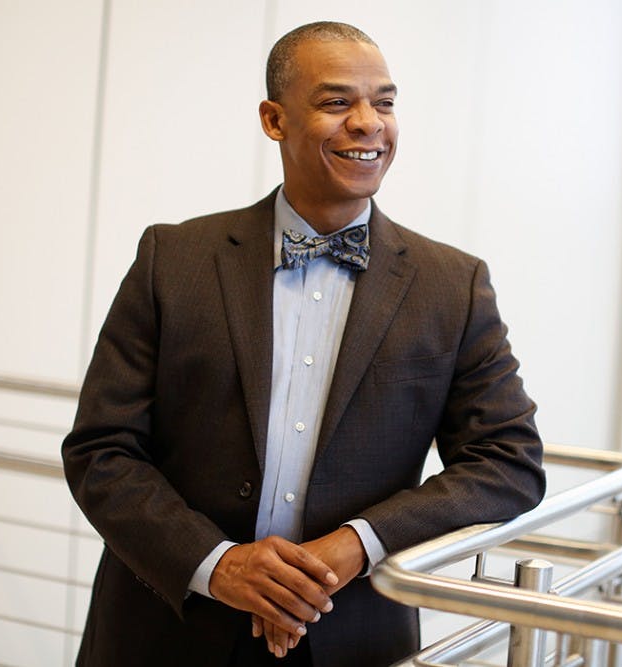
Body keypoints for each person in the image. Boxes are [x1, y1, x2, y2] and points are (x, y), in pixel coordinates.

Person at [62, 20, 544, 667]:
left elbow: (509, 459)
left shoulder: (452, 286)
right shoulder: (171, 259)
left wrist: (356, 543)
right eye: (337, 101)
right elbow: (101, 449)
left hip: (352, 640)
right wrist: (218, 564)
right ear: (274, 118)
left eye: (386, 102)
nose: (369, 122)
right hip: (166, 627)